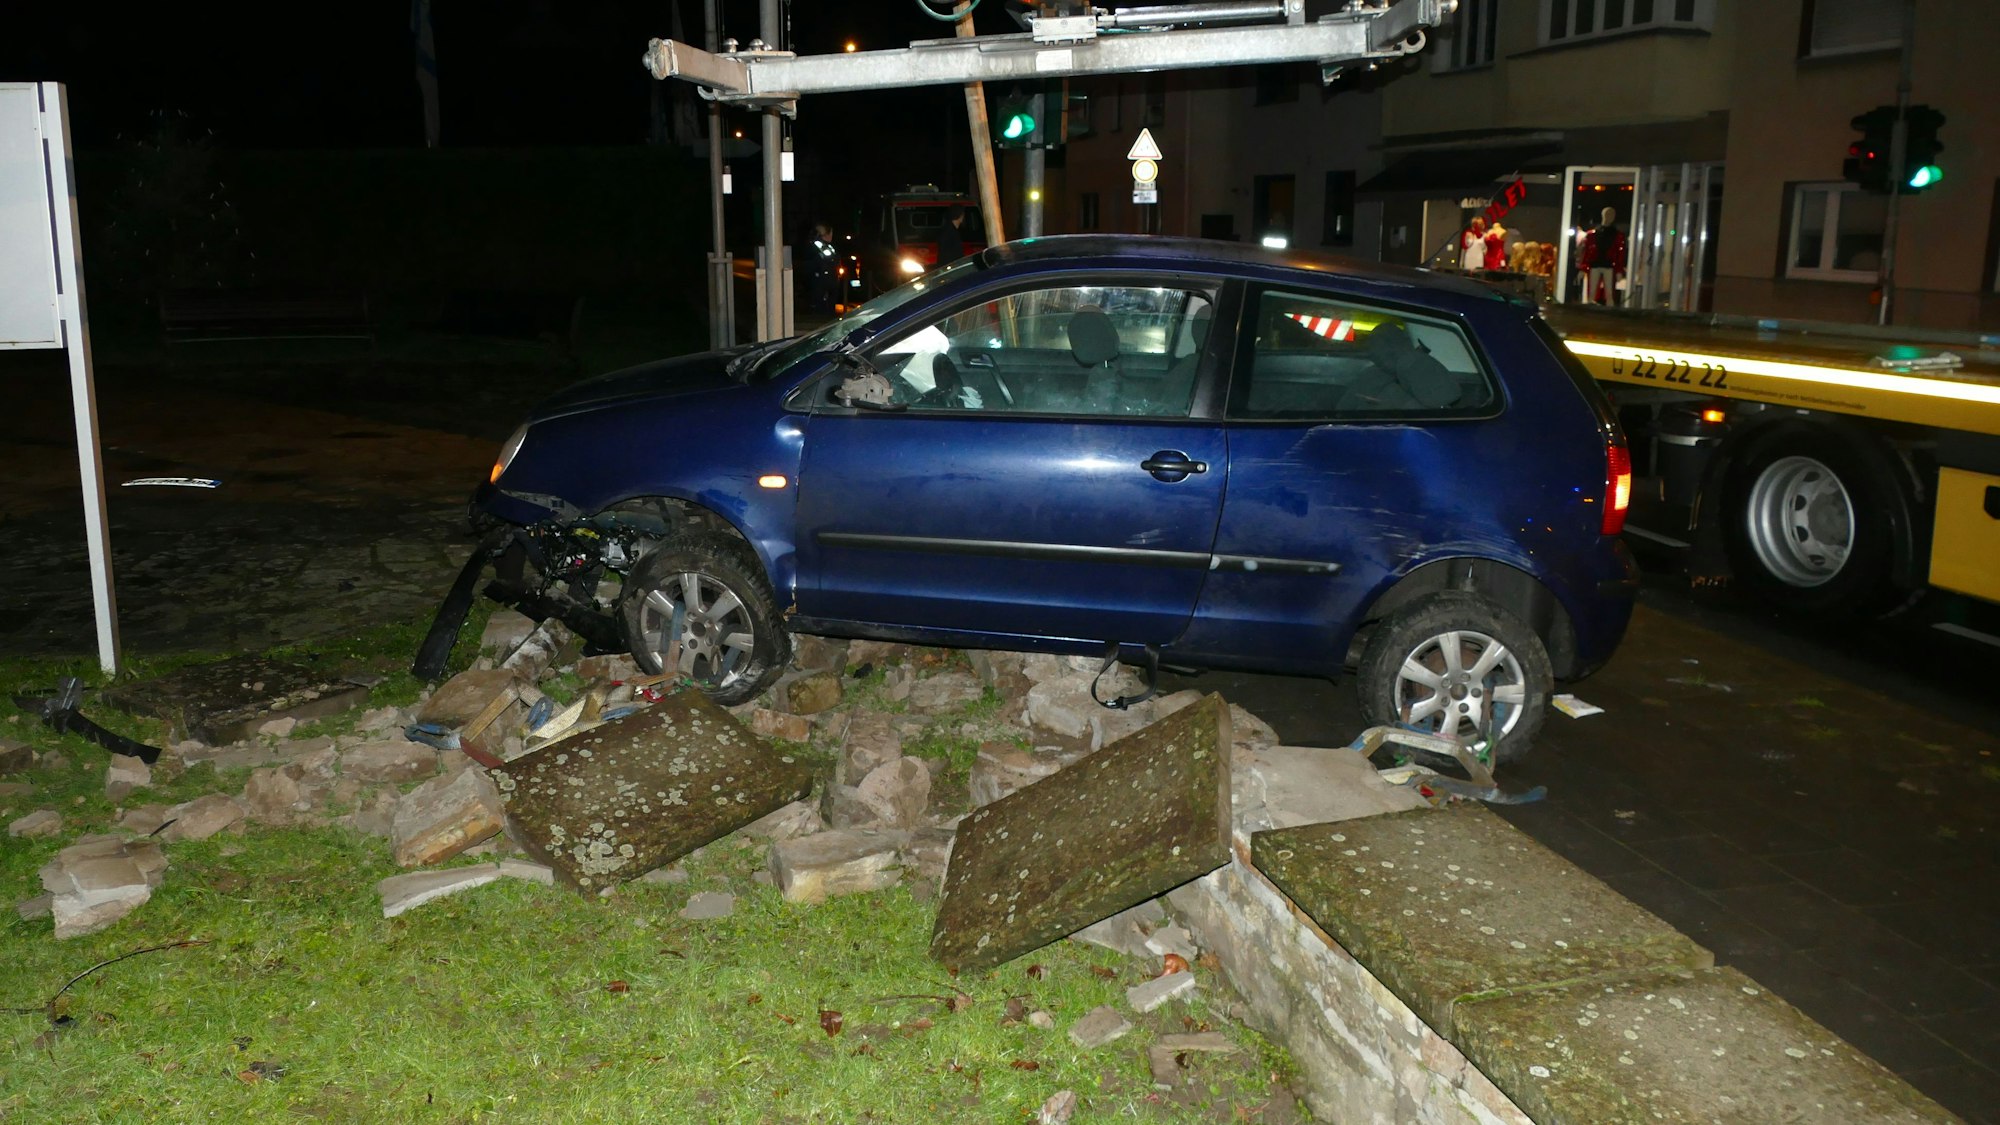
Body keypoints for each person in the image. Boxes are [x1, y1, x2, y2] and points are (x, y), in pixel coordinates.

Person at [806, 222, 839, 314]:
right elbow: (830, 259)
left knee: (828, 303)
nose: (831, 236)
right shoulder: (820, 245)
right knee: (821, 305)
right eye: (830, 233)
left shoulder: (826, 246)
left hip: (828, 278)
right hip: (822, 279)